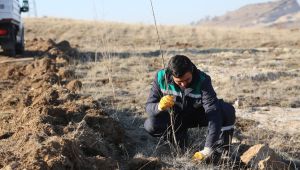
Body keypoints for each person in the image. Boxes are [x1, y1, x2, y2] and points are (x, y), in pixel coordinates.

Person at [144, 55, 236, 161]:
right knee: (150, 124)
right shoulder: (161, 77)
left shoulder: (203, 80)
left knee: (226, 110)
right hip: (174, 118)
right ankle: (176, 140)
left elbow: (213, 112)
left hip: (195, 115)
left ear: (191, 70)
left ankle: (221, 151)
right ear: (171, 75)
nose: (183, 84)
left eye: (187, 79)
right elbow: (149, 107)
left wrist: (208, 148)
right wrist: (159, 106)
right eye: (179, 82)